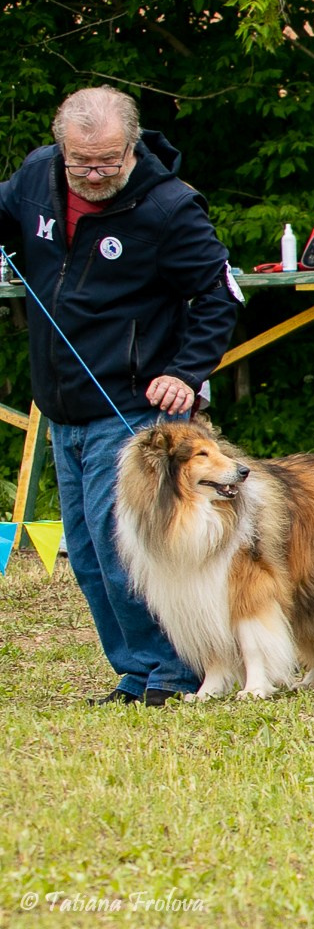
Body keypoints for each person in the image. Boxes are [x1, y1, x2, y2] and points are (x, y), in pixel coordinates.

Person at [0, 86, 240, 705]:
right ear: (61, 149)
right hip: (63, 405)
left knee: (124, 553)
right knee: (84, 552)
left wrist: (186, 372)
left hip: (134, 412)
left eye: (107, 160)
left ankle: (172, 673)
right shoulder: (35, 177)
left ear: (131, 145)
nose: (95, 173)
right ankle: (135, 672)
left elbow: (219, 296)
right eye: (82, 162)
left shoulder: (169, 208)